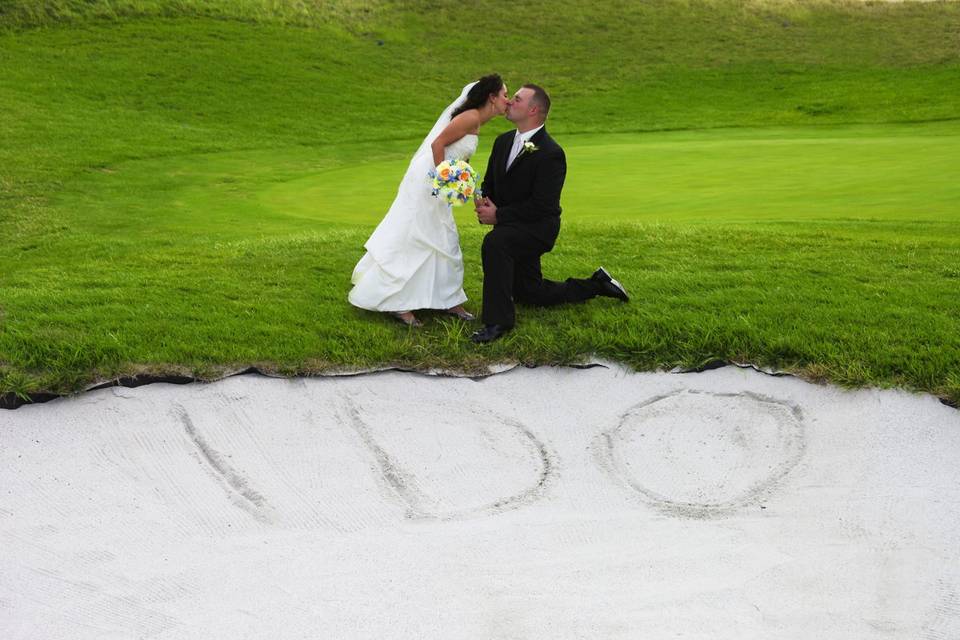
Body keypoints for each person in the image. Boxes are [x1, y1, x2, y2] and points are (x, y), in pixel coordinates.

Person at [471, 84, 629, 344]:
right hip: (511, 225)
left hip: (537, 229)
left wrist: (499, 217)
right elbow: (491, 184)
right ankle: (597, 284)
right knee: (530, 293)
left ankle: (497, 322)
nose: (509, 102)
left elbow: (542, 206)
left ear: (533, 110)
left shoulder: (552, 154)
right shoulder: (502, 142)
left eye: (517, 99)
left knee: (495, 243)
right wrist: (483, 200)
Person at [349, 75, 509, 327]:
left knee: (443, 237)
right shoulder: (470, 117)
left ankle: (449, 300)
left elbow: (460, 159)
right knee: (421, 234)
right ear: (491, 97)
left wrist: (467, 188)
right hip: (429, 179)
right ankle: (399, 303)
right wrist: (444, 179)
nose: (507, 101)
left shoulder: (475, 120)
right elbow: (438, 144)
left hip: (437, 177)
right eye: (504, 95)